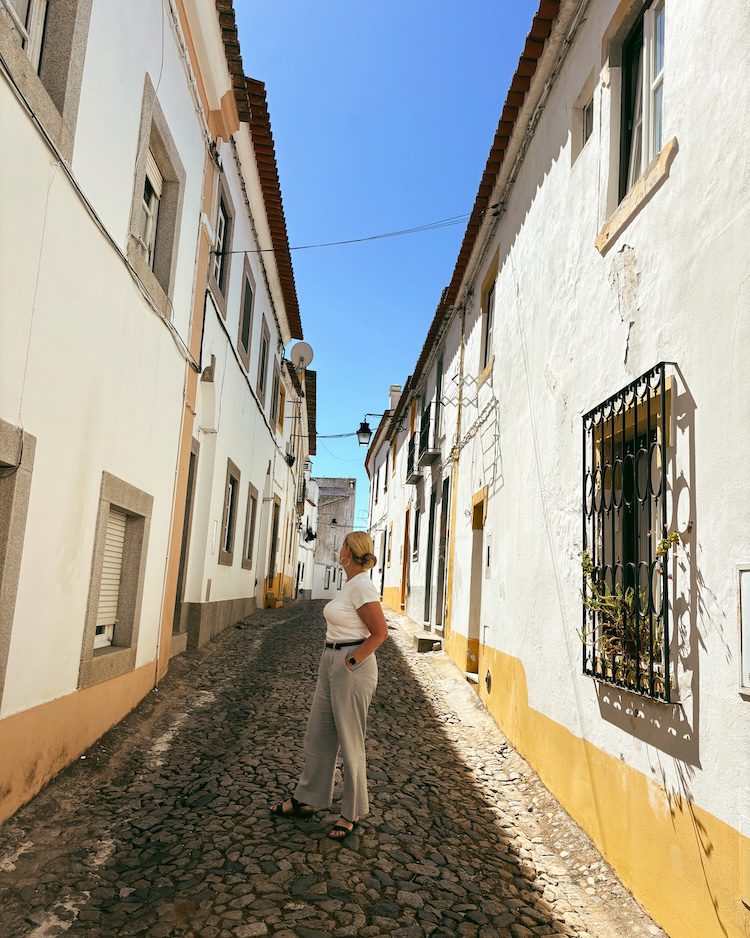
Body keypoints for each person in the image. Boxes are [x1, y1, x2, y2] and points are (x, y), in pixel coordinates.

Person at [270, 531, 388, 840]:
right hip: (330, 660)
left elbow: (380, 632)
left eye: (342, 546)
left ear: (349, 551)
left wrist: (352, 660)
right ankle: (308, 799)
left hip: (351, 665)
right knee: (318, 735)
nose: (338, 549)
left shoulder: (362, 585)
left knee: (350, 741)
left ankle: (352, 812)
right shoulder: (349, 584)